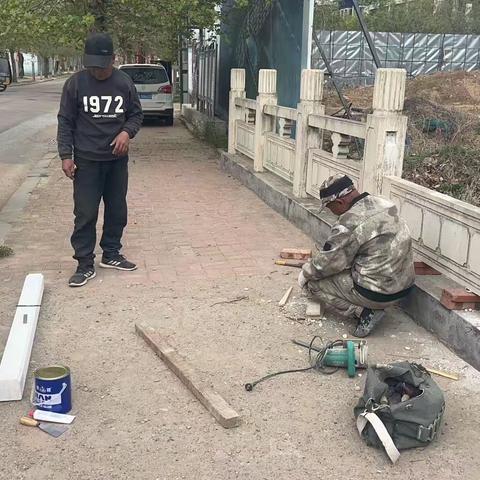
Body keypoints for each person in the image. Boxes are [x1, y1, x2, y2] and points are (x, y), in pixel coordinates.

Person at [57, 32, 144, 287]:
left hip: (117, 161)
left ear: (113, 60)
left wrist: (126, 133)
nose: (98, 71)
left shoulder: (124, 82)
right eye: (92, 66)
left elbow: (135, 115)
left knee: (117, 209)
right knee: (85, 213)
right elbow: (65, 122)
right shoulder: (75, 84)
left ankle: (111, 254)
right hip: (86, 161)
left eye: (102, 66)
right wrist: (66, 155)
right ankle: (84, 263)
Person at [298, 174, 415, 337]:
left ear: (340, 202)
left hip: (378, 293)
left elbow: (328, 263)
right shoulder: (383, 202)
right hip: (405, 287)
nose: (333, 213)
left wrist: (306, 273)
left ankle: (364, 312)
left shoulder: (350, 221)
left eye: (331, 208)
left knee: (313, 284)